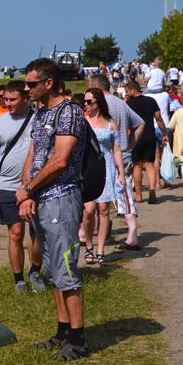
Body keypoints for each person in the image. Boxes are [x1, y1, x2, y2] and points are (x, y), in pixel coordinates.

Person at [16, 58, 88, 361]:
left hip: (61, 197)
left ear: (49, 83)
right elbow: (33, 158)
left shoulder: (69, 112)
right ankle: (62, 332)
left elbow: (60, 160)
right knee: (54, 268)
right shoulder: (41, 113)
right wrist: (26, 194)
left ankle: (78, 341)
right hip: (42, 198)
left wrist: (31, 189)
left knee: (67, 269)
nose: (25, 88)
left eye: (31, 83)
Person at [0, 80, 45, 295]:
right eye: (4, 99)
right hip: (8, 185)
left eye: (12, 99)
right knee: (15, 233)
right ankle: (18, 279)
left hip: (36, 185)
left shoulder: (39, 120)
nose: (7, 103)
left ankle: (35, 271)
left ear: (26, 98)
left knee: (37, 232)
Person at [88, 74, 144, 250]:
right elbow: (140, 123)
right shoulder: (121, 102)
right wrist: (131, 144)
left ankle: (89, 235)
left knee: (100, 200)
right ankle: (132, 233)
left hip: (108, 157)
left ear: (96, 86)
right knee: (125, 194)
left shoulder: (100, 106)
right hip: (123, 154)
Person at [80, 88, 127, 267]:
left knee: (104, 210)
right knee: (89, 210)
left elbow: (116, 149)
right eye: (84, 101)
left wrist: (121, 173)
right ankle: (89, 245)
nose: (86, 104)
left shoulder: (110, 123)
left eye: (89, 101)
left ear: (98, 102)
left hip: (107, 168)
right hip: (89, 168)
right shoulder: (83, 122)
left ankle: (100, 250)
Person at [124, 81, 168, 204]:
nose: (127, 94)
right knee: (150, 164)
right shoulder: (151, 101)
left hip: (135, 137)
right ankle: (152, 189)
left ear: (133, 90)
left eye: (127, 91)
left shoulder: (129, 104)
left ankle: (138, 195)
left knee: (137, 165)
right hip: (150, 135)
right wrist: (165, 133)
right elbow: (159, 118)